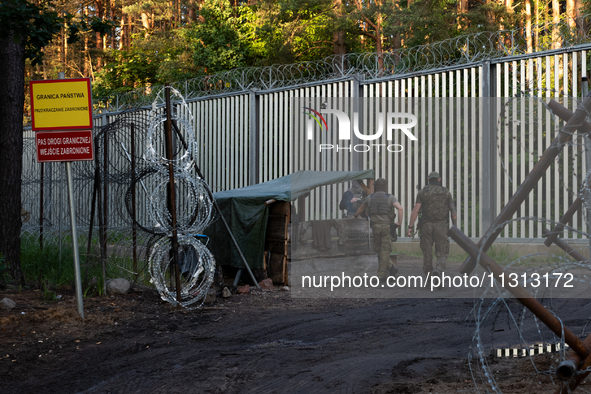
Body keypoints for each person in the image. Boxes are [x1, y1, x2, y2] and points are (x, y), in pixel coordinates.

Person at [407, 172, 457, 277]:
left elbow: (415, 211)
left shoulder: (422, 192)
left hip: (426, 226)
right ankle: (438, 269)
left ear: (428, 179)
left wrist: (410, 227)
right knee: (442, 251)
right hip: (441, 226)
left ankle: (429, 276)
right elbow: (453, 211)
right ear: (439, 179)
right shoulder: (446, 192)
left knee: (427, 252)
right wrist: (454, 226)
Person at [353, 178, 403, 282]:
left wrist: (355, 216)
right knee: (384, 250)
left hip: (375, 227)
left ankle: (387, 271)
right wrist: (399, 222)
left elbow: (361, 208)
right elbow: (400, 208)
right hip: (386, 227)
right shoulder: (390, 197)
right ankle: (384, 273)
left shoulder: (369, 197)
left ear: (376, 187)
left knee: (379, 249)